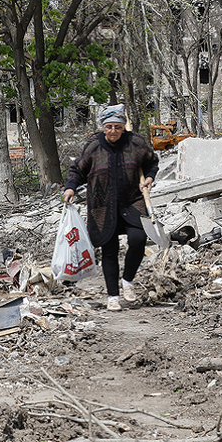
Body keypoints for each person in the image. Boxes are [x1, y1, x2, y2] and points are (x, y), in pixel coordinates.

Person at [62, 104, 159, 311]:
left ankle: (128, 282)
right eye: (109, 127)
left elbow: (152, 162)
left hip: (132, 201)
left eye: (117, 126)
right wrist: (70, 187)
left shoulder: (136, 143)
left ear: (123, 127)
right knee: (109, 249)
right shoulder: (93, 146)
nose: (113, 131)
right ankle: (112, 296)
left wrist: (150, 177)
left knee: (138, 238)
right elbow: (77, 169)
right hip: (102, 205)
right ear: (103, 127)